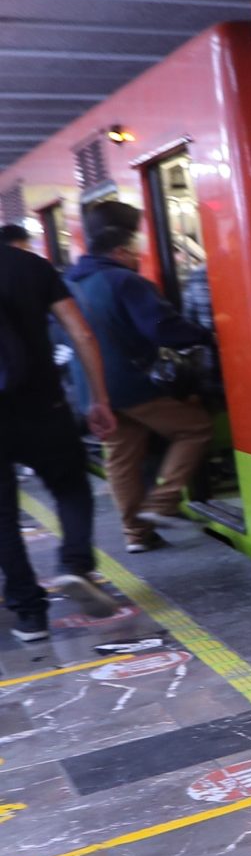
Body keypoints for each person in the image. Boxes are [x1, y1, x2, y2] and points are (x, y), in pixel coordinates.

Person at [62, 200, 217, 554]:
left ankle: (136, 534)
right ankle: (161, 505)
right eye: (135, 252)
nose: (139, 259)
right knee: (195, 427)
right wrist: (205, 335)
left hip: (92, 391)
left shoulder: (69, 283)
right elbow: (162, 328)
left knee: (121, 458)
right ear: (119, 251)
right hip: (132, 383)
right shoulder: (124, 281)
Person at [2, 239, 117, 642]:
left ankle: (30, 614)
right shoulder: (31, 266)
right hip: (43, 406)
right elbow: (81, 334)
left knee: (3, 519)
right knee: (70, 486)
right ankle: (75, 564)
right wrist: (98, 399)